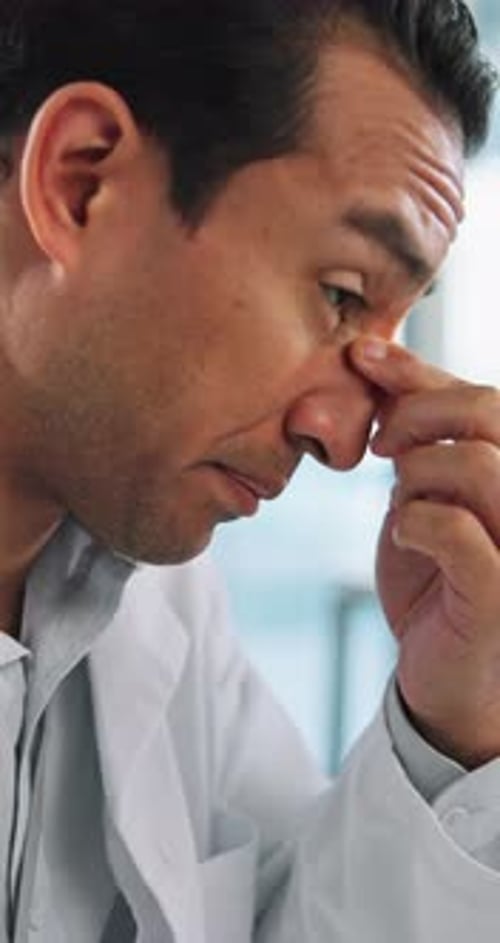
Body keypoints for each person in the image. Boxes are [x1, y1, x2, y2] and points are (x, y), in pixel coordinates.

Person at [0, 0, 498, 938]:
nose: (347, 440)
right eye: (342, 294)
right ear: (81, 183)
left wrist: (450, 725)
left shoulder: (158, 605)